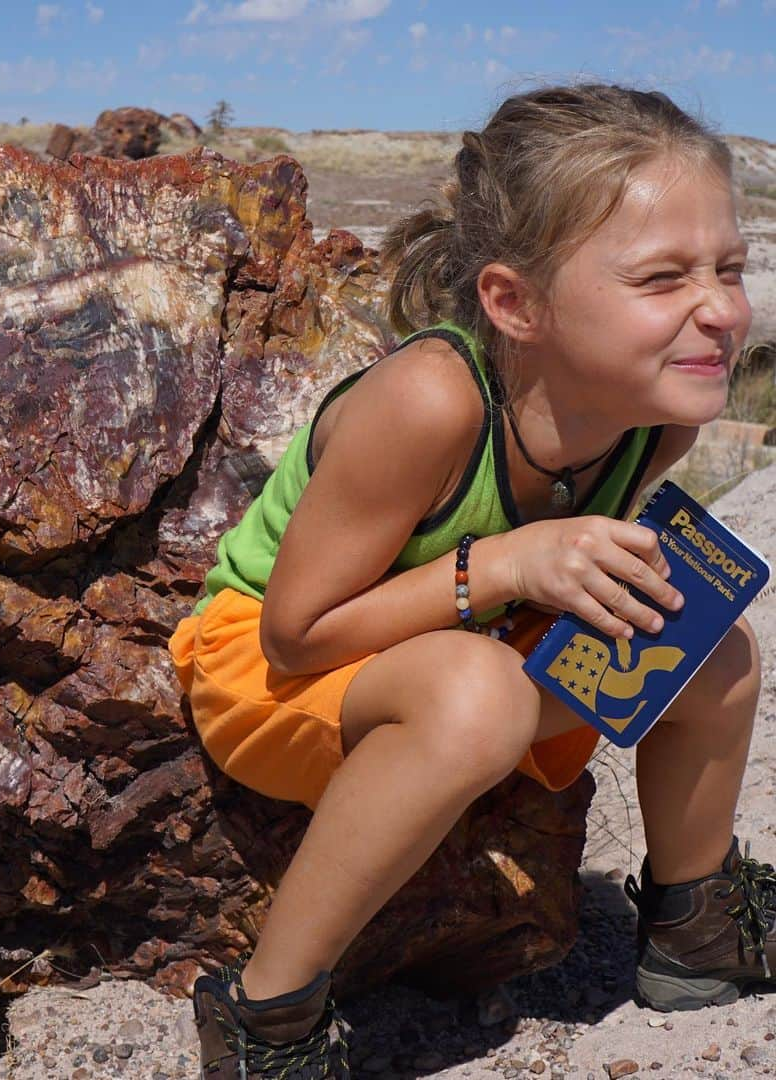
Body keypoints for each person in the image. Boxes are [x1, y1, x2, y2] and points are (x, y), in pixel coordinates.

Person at [167, 83, 770, 1079]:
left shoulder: (661, 414)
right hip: (270, 668)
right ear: (514, 303)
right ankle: (265, 1020)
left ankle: (692, 920)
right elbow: (294, 632)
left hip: (456, 650)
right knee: (475, 695)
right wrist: (507, 563)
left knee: (712, 645)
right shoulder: (431, 401)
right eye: (663, 279)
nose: (719, 309)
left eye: (731, 268)